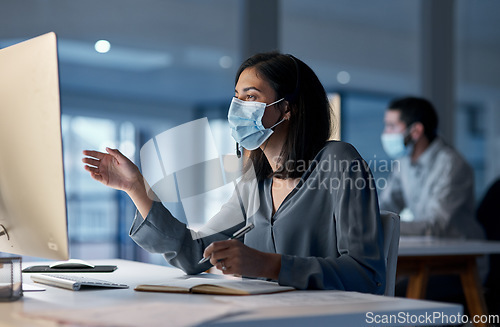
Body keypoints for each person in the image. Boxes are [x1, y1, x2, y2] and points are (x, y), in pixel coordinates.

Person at [82, 52, 386, 293]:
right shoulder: (255, 183)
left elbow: (366, 275)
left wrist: (270, 265)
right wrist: (136, 187)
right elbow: (194, 254)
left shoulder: (339, 161)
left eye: (251, 97)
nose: (239, 107)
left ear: (288, 108)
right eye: (237, 97)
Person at [379, 96, 484, 239]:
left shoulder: (452, 165)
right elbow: (388, 204)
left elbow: (435, 226)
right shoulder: (403, 162)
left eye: (392, 126)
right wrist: (366, 218)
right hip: (429, 247)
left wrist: (381, 224)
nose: (386, 133)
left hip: (461, 250)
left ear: (415, 131)